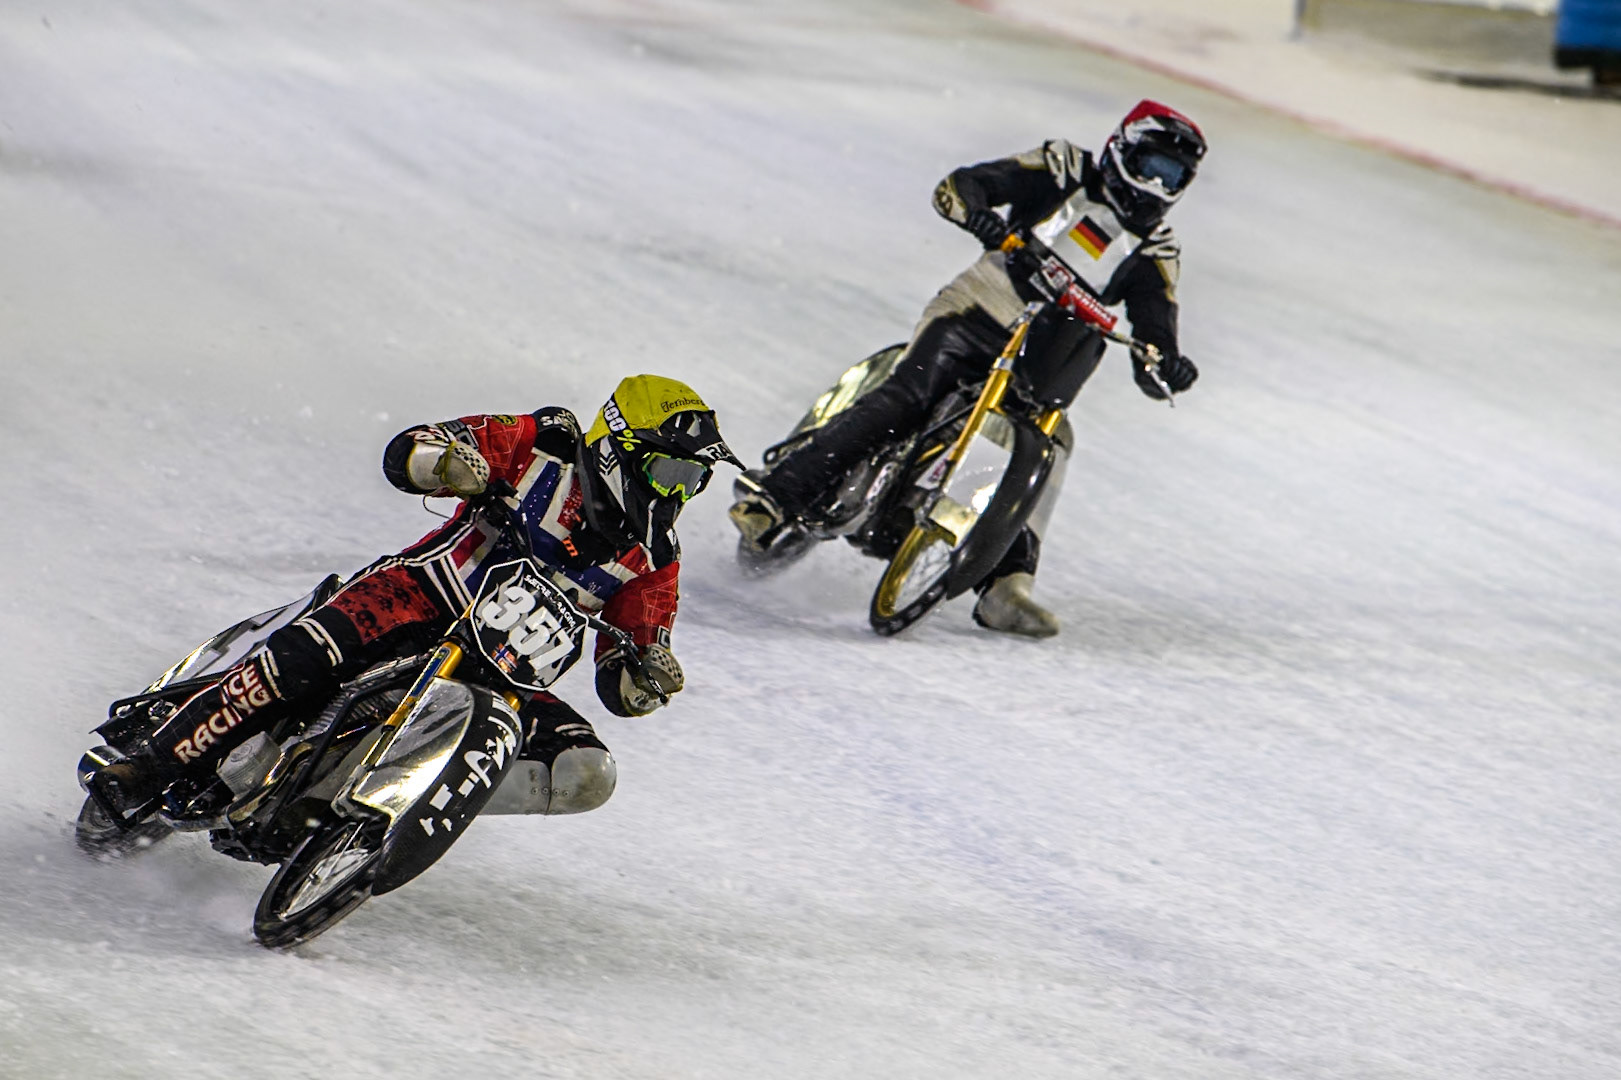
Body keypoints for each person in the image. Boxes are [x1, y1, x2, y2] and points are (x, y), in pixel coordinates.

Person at [93, 374, 740, 821]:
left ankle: (388, 807)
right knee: (301, 659)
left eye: (695, 482)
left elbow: (624, 675)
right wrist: (446, 465)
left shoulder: (656, 560)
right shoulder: (544, 443)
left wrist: (646, 677)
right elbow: (410, 449)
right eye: (670, 472)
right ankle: (148, 766)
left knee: (587, 774)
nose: (676, 495)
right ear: (620, 449)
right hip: (413, 598)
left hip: (505, 680)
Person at [730, 100, 1207, 638]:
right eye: (1151, 167)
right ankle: (778, 496)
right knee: (911, 395)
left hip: (1042, 360)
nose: (1155, 186)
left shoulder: (1156, 249)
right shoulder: (1064, 168)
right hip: (977, 311)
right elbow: (962, 186)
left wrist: (1167, 364)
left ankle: (1007, 588)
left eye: (1173, 177)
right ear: (1121, 150)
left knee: (1053, 446)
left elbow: (1155, 330)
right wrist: (979, 215)